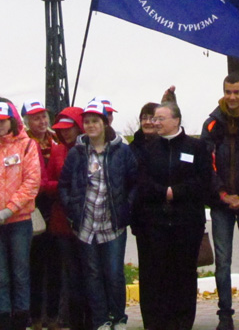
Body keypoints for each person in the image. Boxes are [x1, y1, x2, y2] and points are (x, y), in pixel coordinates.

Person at [60, 100, 138, 330]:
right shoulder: (76, 153)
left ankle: (118, 318)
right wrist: (71, 208)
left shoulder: (122, 151)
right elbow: (64, 184)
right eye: (87, 122)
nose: (91, 125)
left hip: (112, 224)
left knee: (114, 273)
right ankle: (100, 320)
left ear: (105, 123)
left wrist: (126, 207)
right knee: (92, 274)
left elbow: (134, 183)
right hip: (85, 225)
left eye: (95, 121)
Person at [134, 101, 212, 330]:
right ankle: (155, 323)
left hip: (186, 223)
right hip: (154, 223)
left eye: (160, 118)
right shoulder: (148, 149)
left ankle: (181, 322)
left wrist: (176, 192)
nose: (155, 123)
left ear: (176, 120)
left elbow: (203, 180)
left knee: (183, 276)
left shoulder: (196, 147)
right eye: (154, 119)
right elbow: (141, 181)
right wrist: (162, 192)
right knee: (154, 276)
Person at [201, 72, 239, 330]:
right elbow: (206, 164)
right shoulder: (212, 123)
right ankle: (224, 315)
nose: (232, 97)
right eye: (228, 92)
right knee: (222, 262)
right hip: (221, 204)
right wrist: (222, 194)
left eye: (237, 92)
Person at [0, 100, 41, 330]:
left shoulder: (27, 145)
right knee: (0, 276)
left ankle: (21, 322)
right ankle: (4, 322)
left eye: (2, 121)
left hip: (19, 221)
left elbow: (31, 182)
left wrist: (9, 209)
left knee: (20, 274)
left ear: (11, 121)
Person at [44, 106, 87, 330]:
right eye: (61, 128)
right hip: (62, 222)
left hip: (87, 220)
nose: (65, 132)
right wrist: (63, 187)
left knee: (88, 273)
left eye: (69, 128)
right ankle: (72, 320)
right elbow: (46, 182)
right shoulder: (58, 150)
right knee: (70, 274)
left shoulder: (88, 149)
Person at [23, 99, 59, 330]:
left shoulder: (56, 140)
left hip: (54, 207)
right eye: (36, 118)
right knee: (35, 266)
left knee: (55, 265)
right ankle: (35, 316)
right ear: (27, 121)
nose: (41, 121)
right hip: (33, 207)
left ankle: (53, 316)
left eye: (44, 116)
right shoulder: (24, 143)